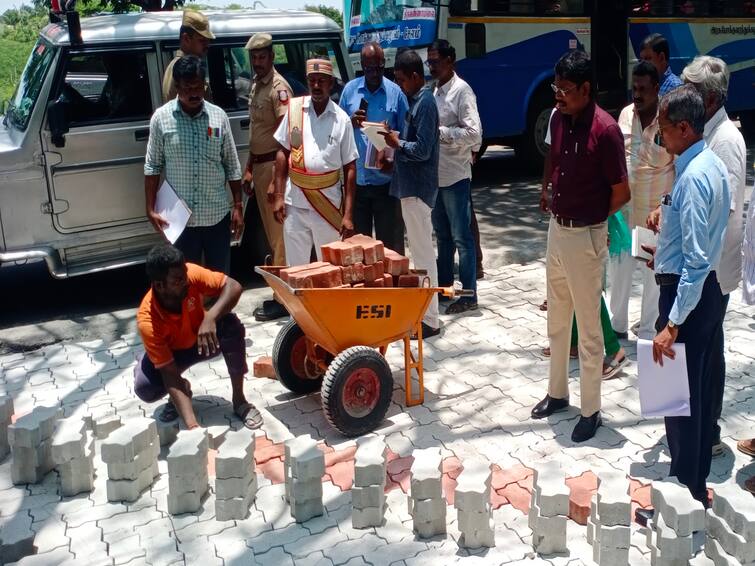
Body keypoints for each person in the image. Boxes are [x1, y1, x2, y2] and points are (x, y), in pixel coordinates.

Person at [530, 50, 630, 443]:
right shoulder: (558, 119)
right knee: (557, 319)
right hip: (557, 230)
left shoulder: (605, 131)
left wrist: (594, 219)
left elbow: (621, 192)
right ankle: (558, 393)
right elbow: (553, 160)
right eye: (556, 87)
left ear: (586, 90)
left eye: (565, 90)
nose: (558, 95)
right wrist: (547, 191)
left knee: (588, 331)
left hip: (586, 235)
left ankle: (591, 410)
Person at [650, 84, 729, 505]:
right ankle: (690, 486)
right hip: (699, 291)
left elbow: (696, 260)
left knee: (681, 403)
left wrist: (673, 324)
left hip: (688, 301)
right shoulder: (708, 164)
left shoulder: (696, 175)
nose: (661, 138)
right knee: (686, 396)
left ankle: (685, 495)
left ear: (684, 127)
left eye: (664, 130)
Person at [680, 56, 747, 457]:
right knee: (702, 347)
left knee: (704, 351)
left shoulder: (725, 140)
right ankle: (694, 427)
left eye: (689, 89)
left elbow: (724, 211)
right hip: (695, 264)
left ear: (706, 98)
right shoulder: (703, 131)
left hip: (707, 268)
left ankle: (704, 433)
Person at [134, 244, 262, 430]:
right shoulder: (148, 321)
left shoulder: (189, 275)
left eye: (185, 274)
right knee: (145, 388)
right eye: (178, 280)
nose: (186, 281)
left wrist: (210, 317)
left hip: (202, 340)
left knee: (230, 326)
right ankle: (180, 389)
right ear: (159, 285)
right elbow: (169, 374)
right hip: (173, 355)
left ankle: (240, 401)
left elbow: (234, 286)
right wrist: (193, 427)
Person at [145, 55, 244, 275]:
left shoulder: (218, 117)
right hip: (181, 221)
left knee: (219, 279)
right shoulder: (161, 120)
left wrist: (237, 205)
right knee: (185, 280)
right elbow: (152, 166)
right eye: (187, 88)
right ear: (177, 87)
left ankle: (221, 311)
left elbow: (232, 165)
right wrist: (150, 208)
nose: (194, 93)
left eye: (198, 87)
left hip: (216, 216)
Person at [609, 61, 674, 341]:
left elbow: (679, 167)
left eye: (643, 89)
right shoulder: (625, 115)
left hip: (654, 215)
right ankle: (617, 327)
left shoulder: (669, 121)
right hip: (625, 213)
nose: (637, 94)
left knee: (652, 278)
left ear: (656, 89)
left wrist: (666, 206)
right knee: (620, 273)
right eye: (634, 88)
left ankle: (648, 331)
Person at [272, 59, 359, 266]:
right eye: (312, 81)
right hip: (295, 204)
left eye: (322, 81)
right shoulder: (294, 111)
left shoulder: (342, 119)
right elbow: (282, 153)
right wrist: (278, 196)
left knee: (329, 269)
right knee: (296, 270)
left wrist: (347, 215)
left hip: (327, 205)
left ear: (331, 83)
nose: (317, 86)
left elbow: (350, 168)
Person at [379, 49, 441, 338]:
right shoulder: (416, 101)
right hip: (409, 188)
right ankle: (425, 315)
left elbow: (423, 149)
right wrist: (392, 150)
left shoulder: (426, 103)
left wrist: (397, 143)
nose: (400, 85)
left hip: (418, 190)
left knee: (423, 256)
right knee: (419, 253)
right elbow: (409, 146)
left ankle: (430, 319)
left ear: (416, 76)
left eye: (402, 80)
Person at [427, 39, 482, 314]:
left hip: (456, 177)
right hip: (436, 176)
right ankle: (446, 288)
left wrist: (444, 132)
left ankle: (469, 294)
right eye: (429, 62)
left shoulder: (462, 91)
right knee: (443, 237)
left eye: (435, 61)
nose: (431, 66)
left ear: (450, 62)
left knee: (462, 238)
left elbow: (475, 134)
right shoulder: (433, 92)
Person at [243, 32, 294, 322]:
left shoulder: (278, 89)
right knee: (271, 237)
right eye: (254, 58)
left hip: (274, 170)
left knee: (279, 238)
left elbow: (285, 138)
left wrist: (278, 180)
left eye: (262, 57)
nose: (258, 62)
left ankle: (283, 300)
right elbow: (256, 134)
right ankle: (279, 293)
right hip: (259, 167)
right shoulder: (255, 85)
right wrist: (249, 167)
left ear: (272, 57)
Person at [339, 41, 408, 254]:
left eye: (378, 67)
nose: (374, 73)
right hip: (357, 185)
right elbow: (337, 130)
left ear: (383, 63)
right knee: (360, 250)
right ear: (361, 65)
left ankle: (394, 288)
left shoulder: (396, 93)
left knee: (391, 249)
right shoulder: (350, 91)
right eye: (369, 68)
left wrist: (393, 157)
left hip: (386, 185)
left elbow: (406, 136)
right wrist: (349, 122)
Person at [162, 11, 214, 102]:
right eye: (202, 41)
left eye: (208, 41)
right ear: (186, 39)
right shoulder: (179, 68)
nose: (207, 45)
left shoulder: (186, 65)